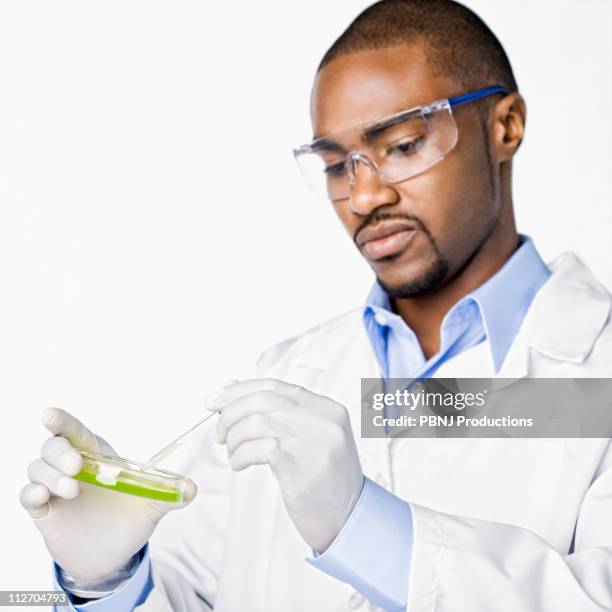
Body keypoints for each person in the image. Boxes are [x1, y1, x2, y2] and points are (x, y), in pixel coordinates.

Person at [20, 1, 612, 610]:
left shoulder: (595, 374)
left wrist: (361, 527)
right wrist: (109, 583)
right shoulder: (287, 377)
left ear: (504, 126)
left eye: (404, 146)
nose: (363, 195)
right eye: (334, 166)